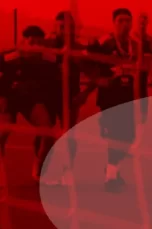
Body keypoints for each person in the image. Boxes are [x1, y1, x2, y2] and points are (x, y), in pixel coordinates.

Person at [89, 8, 144, 192]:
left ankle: (112, 169)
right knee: (114, 137)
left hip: (128, 96)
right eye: (121, 20)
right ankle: (111, 178)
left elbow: (141, 72)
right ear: (113, 23)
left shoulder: (135, 44)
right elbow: (86, 60)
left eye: (128, 20)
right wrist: (98, 79)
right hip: (110, 97)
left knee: (128, 137)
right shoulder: (104, 42)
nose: (125, 24)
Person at [1, 27, 58, 190]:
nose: (34, 45)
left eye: (38, 42)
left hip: (31, 100)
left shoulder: (49, 60)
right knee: (2, 132)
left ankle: (39, 165)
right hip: (9, 98)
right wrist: (2, 97)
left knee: (48, 132)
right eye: (31, 41)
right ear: (23, 41)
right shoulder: (10, 58)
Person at [40, 11, 89, 186]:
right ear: (55, 28)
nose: (64, 31)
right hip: (48, 95)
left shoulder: (79, 49)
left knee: (70, 134)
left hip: (70, 97)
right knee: (45, 134)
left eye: (68, 27)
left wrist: (84, 93)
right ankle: (41, 167)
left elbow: (96, 74)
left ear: (74, 29)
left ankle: (67, 171)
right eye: (61, 27)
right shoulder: (47, 46)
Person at [134, 12, 152, 124]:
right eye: (140, 22)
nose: (142, 25)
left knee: (143, 93)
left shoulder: (150, 40)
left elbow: (150, 56)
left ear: (147, 23)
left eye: (144, 22)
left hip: (143, 70)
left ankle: (143, 117)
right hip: (132, 69)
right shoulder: (132, 37)